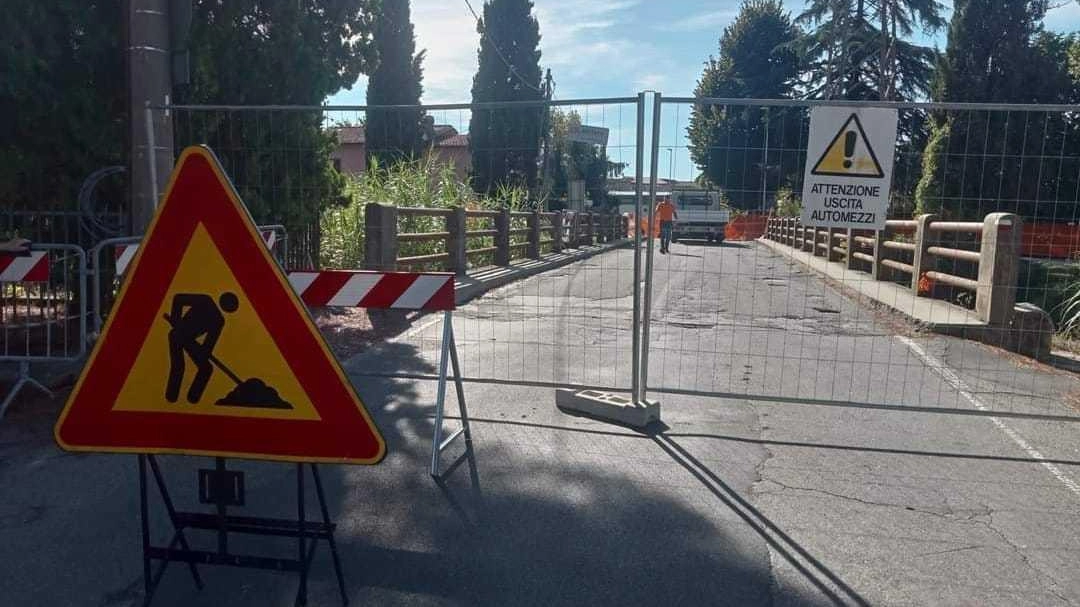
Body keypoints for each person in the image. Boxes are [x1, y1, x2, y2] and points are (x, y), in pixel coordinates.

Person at [165, 292, 239, 404]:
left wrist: (203, 352)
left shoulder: (219, 320)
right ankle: (171, 397)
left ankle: (193, 399)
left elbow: (209, 345)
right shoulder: (205, 301)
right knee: (179, 366)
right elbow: (178, 299)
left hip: (190, 341)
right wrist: (176, 319)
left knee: (206, 368)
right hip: (177, 335)